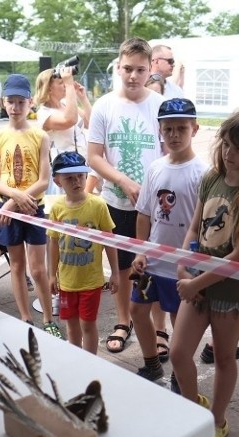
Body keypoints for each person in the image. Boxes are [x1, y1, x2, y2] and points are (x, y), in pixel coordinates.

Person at [169, 109, 239, 437]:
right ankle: (192, 407)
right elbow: (194, 228)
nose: (229, 154)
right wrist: (185, 266)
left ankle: (216, 420)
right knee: (178, 352)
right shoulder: (211, 178)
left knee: (224, 357)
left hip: (231, 289)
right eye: (227, 145)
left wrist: (195, 284)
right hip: (198, 279)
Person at [88, 37, 164, 353]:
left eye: (140, 70)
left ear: (150, 70)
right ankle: (123, 320)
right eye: (127, 69)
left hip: (153, 205)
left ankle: (160, 329)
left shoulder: (159, 106)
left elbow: (169, 151)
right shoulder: (104, 105)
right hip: (115, 200)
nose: (133, 76)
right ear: (118, 67)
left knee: (155, 265)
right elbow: (94, 157)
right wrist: (125, 182)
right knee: (120, 267)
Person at [131, 98, 206, 385]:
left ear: (195, 129)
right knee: (138, 311)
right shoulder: (155, 168)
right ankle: (151, 363)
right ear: (159, 130)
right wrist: (140, 250)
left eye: (181, 128)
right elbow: (144, 215)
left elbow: (201, 227)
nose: (174, 135)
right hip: (151, 261)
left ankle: (180, 372)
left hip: (181, 267)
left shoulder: (203, 173)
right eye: (168, 129)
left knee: (179, 322)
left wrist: (191, 265)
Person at [0, 74, 62, 338]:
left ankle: (49, 319)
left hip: (32, 209)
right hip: (8, 210)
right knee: (17, 266)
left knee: (38, 268)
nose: (16, 107)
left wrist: (15, 200)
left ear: (30, 102)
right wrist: (10, 200)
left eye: (21, 101)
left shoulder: (41, 136)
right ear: (4, 103)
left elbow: (43, 180)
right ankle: (25, 317)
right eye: (11, 102)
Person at [47, 151, 119, 353]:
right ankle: (75, 359)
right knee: (71, 325)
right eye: (69, 178)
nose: (76, 181)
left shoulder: (98, 205)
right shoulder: (57, 208)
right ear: (58, 181)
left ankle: (90, 362)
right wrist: (51, 274)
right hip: (67, 282)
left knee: (88, 324)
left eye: (80, 175)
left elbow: (109, 240)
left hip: (91, 281)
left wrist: (114, 272)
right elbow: (53, 242)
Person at [33, 66, 91, 157]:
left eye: (64, 82)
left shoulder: (64, 104)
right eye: (61, 83)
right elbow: (70, 120)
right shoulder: (44, 114)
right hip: (63, 166)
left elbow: (89, 123)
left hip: (81, 163)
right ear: (49, 89)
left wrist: (83, 98)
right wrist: (69, 85)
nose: (65, 84)